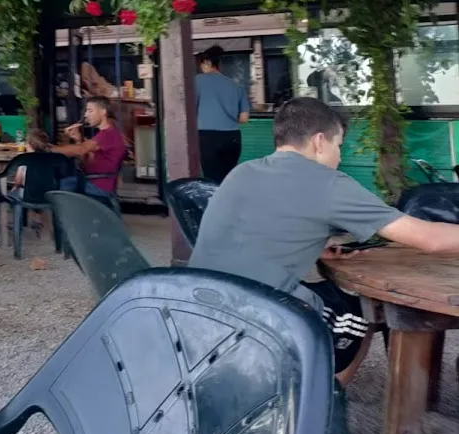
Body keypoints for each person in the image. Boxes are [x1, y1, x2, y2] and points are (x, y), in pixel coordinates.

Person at [191, 97, 459, 385]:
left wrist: (317, 247)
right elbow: (429, 238)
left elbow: (252, 227)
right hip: (259, 314)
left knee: (330, 296)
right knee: (362, 309)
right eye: (339, 145)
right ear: (320, 141)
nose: (339, 157)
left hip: (192, 306)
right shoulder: (329, 183)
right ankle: (325, 399)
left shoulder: (242, 171)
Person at [195, 45, 250, 183]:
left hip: (208, 137)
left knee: (212, 181)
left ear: (207, 62)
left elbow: (189, 110)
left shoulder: (197, 81)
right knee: (228, 180)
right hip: (232, 137)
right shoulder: (236, 86)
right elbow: (244, 118)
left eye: (201, 64)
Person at [52, 97, 127, 195]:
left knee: (53, 187)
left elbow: (81, 149)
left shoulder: (108, 134)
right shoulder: (105, 133)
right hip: (92, 182)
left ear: (103, 112)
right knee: (60, 184)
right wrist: (78, 139)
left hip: (97, 186)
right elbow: (86, 161)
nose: (86, 115)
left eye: (90, 111)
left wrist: (47, 149)